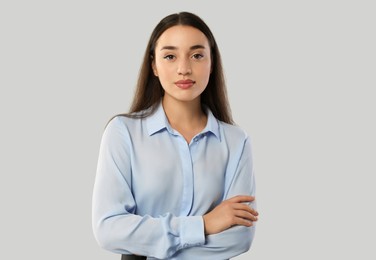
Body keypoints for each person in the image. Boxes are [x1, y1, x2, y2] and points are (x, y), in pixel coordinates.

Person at [92, 11, 258, 260]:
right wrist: (204, 224)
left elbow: (239, 238)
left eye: (197, 55)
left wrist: (148, 242)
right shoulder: (123, 132)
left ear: (212, 63)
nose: (184, 69)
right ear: (154, 66)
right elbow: (109, 229)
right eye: (170, 56)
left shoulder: (236, 142)